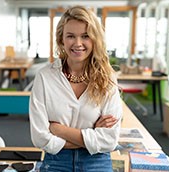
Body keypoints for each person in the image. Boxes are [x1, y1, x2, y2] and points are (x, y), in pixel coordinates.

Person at [29, 5, 122, 172]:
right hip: (56, 160)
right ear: (61, 40)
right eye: (71, 36)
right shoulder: (45, 77)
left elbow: (109, 140)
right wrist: (92, 134)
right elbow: (40, 138)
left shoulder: (108, 79)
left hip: (97, 160)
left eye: (85, 36)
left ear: (95, 39)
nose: (78, 43)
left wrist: (59, 130)